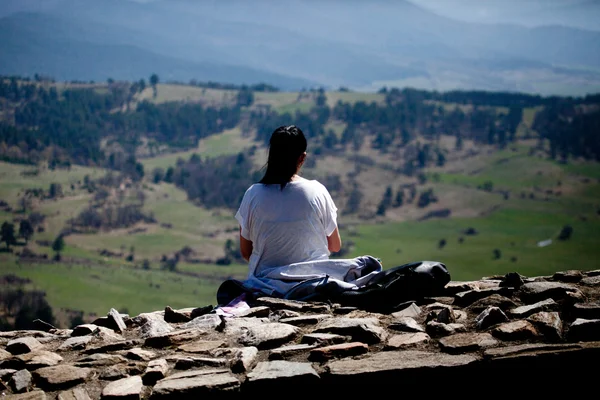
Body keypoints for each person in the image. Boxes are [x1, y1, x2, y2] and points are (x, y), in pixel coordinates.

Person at [235, 125, 342, 281]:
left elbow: (246, 252)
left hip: (266, 283)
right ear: (302, 157)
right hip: (312, 282)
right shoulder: (317, 191)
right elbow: (335, 245)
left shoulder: (253, 194)